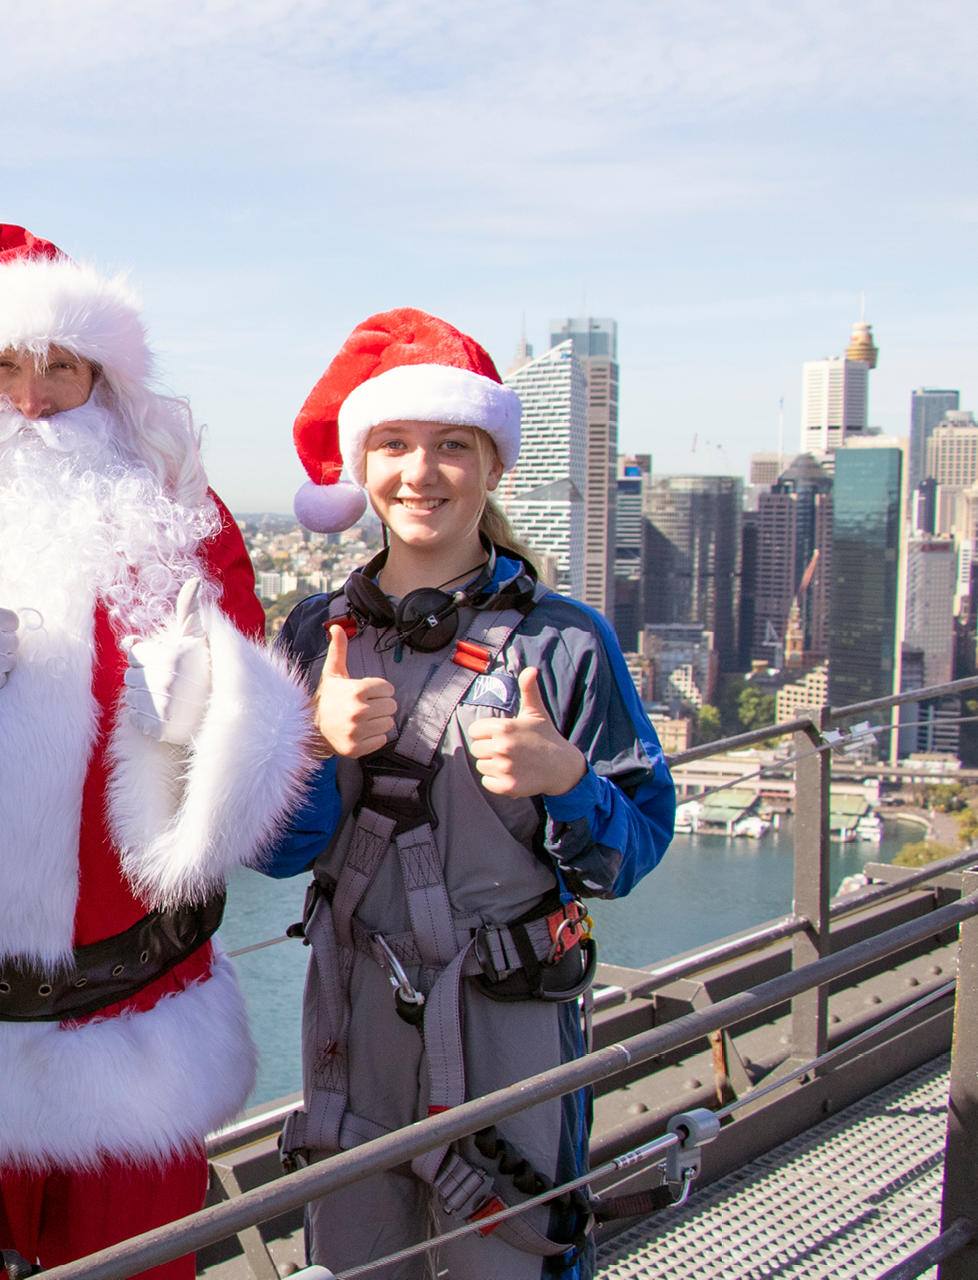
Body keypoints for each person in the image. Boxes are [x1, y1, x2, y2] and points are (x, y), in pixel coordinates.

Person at [0, 224, 317, 1278]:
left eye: (61, 367)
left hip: (136, 1021)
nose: (32, 398)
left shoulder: (182, 512)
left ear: (105, 378)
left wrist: (209, 707)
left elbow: (256, 750)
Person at [266, 309, 675, 1280]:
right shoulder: (313, 634)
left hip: (509, 1019)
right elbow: (274, 851)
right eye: (395, 444)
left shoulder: (564, 643)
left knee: (511, 1259)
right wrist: (314, 747)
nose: (421, 471)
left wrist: (565, 781)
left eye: (453, 444)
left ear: (491, 465)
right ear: (361, 466)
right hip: (353, 1015)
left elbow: (632, 847)